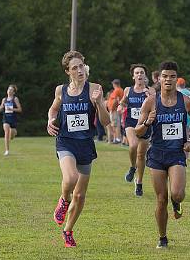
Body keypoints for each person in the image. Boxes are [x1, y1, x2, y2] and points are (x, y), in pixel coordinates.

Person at [135, 61, 190, 249]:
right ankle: (162, 237)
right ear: (159, 78)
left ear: (176, 79)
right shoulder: (150, 102)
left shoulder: (186, 101)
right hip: (156, 154)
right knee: (161, 198)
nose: (168, 79)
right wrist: (148, 122)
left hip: (176, 153)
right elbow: (138, 132)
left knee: (177, 194)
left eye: (172, 76)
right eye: (165, 76)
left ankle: (177, 203)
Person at [48, 51, 110, 248]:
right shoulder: (61, 90)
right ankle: (63, 201)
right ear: (68, 72)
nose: (79, 70)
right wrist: (50, 120)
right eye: (74, 68)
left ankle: (68, 231)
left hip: (85, 144)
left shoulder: (94, 89)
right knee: (70, 179)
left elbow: (106, 122)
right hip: (66, 141)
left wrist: (100, 102)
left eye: (81, 66)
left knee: (81, 195)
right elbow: (54, 109)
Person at [119, 64, 153, 197]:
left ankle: (139, 182)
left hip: (145, 124)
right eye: (137, 73)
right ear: (133, 76)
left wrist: (150, 97)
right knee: (133, 145)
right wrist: (121, 106)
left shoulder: (151, 91)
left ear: (145, 76)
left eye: (142, 73)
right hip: (131, 123)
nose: (139, 75)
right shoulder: (128, 90)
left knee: (141, 155)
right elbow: (123, 102)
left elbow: (156, 106)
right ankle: (132, 167)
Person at [0, 84, 22, 156]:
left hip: (13, 119)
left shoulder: (15, 99)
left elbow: (20, 109)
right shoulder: (4, 99)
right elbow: (0, 109)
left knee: (11, 134)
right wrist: (2, 107)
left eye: (11, 90)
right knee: (6, 132)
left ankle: (13, 134)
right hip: (5, 118)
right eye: (8, 89)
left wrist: (12, 109)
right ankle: (7, 150)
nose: (9, 91)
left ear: (14, 92)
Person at [107, 79, 124, 144]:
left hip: (115, 110)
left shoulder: (117, 90)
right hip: (117, 109)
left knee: (115, 125)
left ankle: (117, 138)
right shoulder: (121, 90)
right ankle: (116, 138)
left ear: (114, 84)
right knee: (116, 124)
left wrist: (111, 109)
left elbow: (115, 100)